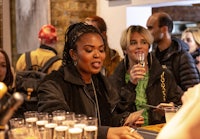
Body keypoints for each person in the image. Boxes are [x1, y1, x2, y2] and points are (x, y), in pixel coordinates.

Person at [37, 22, 143, 139]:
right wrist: (106, 132)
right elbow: (60, 122)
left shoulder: (100, 82)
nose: (97, 55)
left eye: (101, 50)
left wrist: (124, 120)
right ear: (74, 54)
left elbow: (106, 119)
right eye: (89, 50)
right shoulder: (53, 83)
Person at [109, 25, 183, 126]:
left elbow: (180, 105)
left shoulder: (164, 75)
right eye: (133, 43)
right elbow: (113, 114)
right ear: (125, 49)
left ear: (148, 47)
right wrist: (131, 85)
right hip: (129, 134)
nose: (139, 46)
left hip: (158, 133)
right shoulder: (116, 78)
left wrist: (170, 108)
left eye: (144, 42)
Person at [146, 12, 200, 91]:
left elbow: (192, 92)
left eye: (150, 28)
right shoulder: (153, 57)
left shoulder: (182, 57)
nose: (147, 32)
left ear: (164, 29)